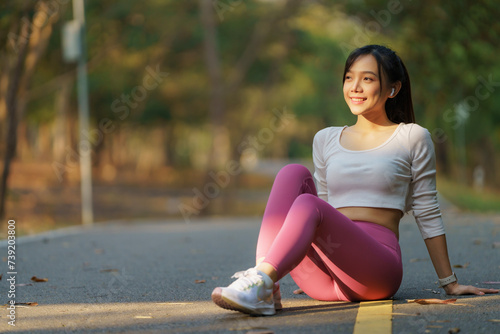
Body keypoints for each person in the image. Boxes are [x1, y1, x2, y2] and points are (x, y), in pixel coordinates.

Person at [211, 44, 499, 316]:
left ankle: (261, 281)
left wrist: (449, 282)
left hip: (374, 271)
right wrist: (299, 254)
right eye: (349, 78)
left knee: (310, 205)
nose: (355, 87)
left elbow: (427, 210)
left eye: (368, 79)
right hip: (324, 276)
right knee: (292, 173)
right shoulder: (325, 138)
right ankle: (266, 282)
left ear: (393, 88)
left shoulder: (412, 136)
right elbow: (323, 205)